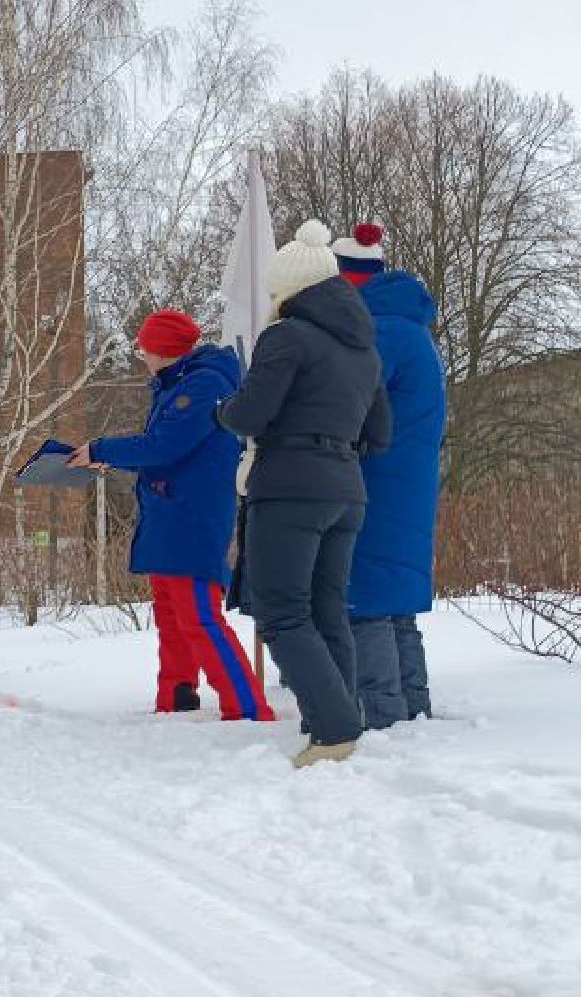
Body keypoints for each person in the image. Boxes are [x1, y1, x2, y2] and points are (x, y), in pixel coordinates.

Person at [219, 220, 391, 767]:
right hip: (346, 490)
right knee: (326, 609)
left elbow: (249, 412)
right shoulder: (363, 348)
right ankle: (340, 720)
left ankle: (335, 728)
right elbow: (380, 434)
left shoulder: (286, 335)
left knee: (282, 614)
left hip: (290, 488)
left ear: (289, 288)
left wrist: (218, 410)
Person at [69, 310, 268, 722]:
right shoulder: (178, 384)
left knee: (198, 614)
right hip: (170, 511)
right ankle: (177, 694)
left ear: (163, 350)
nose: (141, 354)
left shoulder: (202, 386)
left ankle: (246, 706)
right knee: (171, 612)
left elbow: (163, 446)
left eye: (145, 347)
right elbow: (163, 451)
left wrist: (102, 450)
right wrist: (117, 460)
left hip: (191, 516)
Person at [333, 224, 446, 730]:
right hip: (407, 481)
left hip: (377, 478)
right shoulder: (409, 327)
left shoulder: (378, 331)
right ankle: (412, 708)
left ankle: (383, 715)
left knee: (366, 596)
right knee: (395, 602)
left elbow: (348, 405)